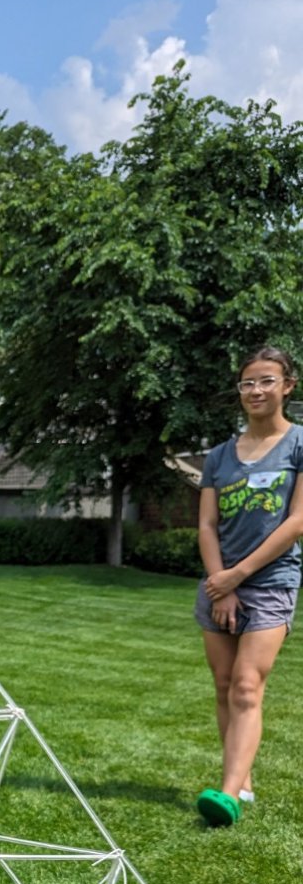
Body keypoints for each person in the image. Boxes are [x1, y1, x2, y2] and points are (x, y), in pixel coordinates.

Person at [195, 345, 303, 826]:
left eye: (266, 381)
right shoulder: (219, 456)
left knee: (245, 685)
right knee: (223, 685)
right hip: (220, 583)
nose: (255, 391)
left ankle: (227, 795)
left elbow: (298, 521)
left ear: (287, 386)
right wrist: (223, 582)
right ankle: (242, 780)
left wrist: (239, 576)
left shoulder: (299, 444)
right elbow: (206, 526)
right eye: (247, 383)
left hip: (272, 581)